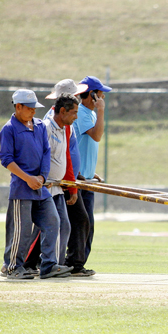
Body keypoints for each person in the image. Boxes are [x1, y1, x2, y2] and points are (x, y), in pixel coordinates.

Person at [0, 89, 73, 280]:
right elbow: (6, 159)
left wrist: (41, 176)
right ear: (18, 107)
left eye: (35, 108)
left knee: (52, 222)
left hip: (41, 188)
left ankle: (48, 265)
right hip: (21, 189)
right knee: (21, 231)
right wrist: (27, 178)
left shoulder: (39, 126)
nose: (33, 112)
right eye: (29, 108)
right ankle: (13, 266)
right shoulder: (9, 129)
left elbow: (46, 152)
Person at [23, 79, 94, 276]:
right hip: (47, 185)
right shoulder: (47, 126)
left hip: (61, 183)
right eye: (74, 110)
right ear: (63, 109)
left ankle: (52, 264)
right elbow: (41, 156)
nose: (77, 115)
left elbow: (66, 158)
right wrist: (45, 179)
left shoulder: (66, 125)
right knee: (47, 226)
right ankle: (28, 263)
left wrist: (71, 184)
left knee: (63, 225)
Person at [71, 76, 111, 265]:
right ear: (92, 95)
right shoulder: (82, 114)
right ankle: (74, 263)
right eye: (100, 93)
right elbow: (96, 136)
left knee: (88, 224)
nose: (103, 96)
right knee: (81, 223)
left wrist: (90, 170)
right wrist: (102, 111)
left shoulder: (91, 114)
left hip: (86, 178)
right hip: (77, 179)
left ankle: (79, 263)